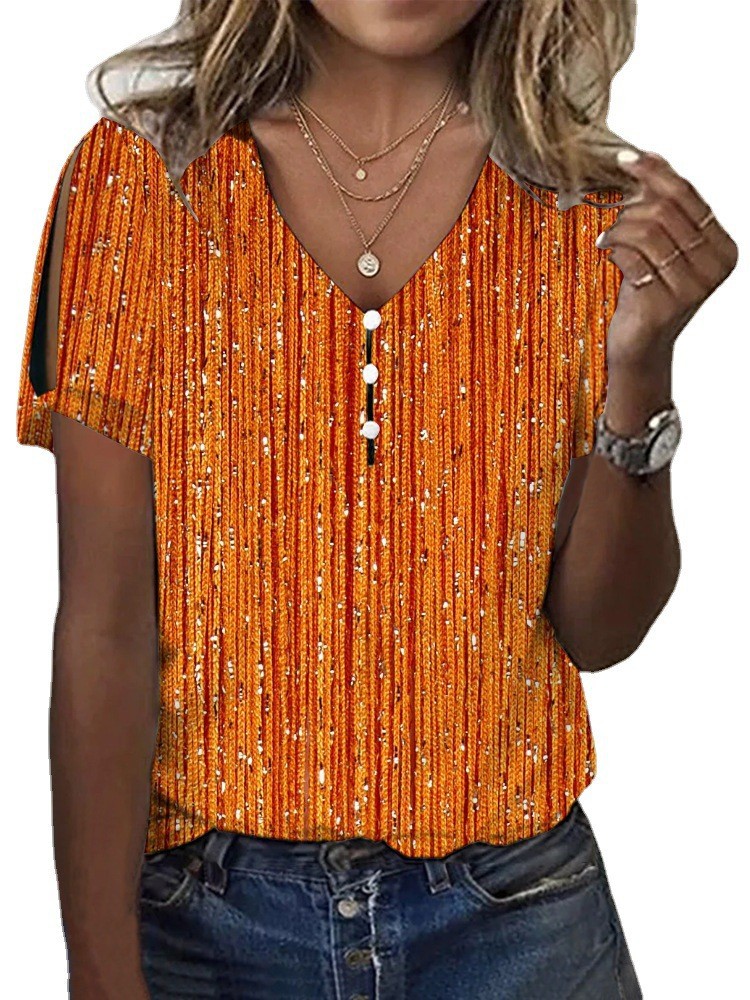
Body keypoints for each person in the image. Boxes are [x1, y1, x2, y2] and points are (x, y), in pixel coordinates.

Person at [15, 1, 737, 998]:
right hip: (204, 921)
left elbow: (600, 630)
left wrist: (644, 365)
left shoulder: (585, 214)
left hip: (518, 919)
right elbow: (104, 626)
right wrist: (99, 970)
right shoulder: (143, 186)